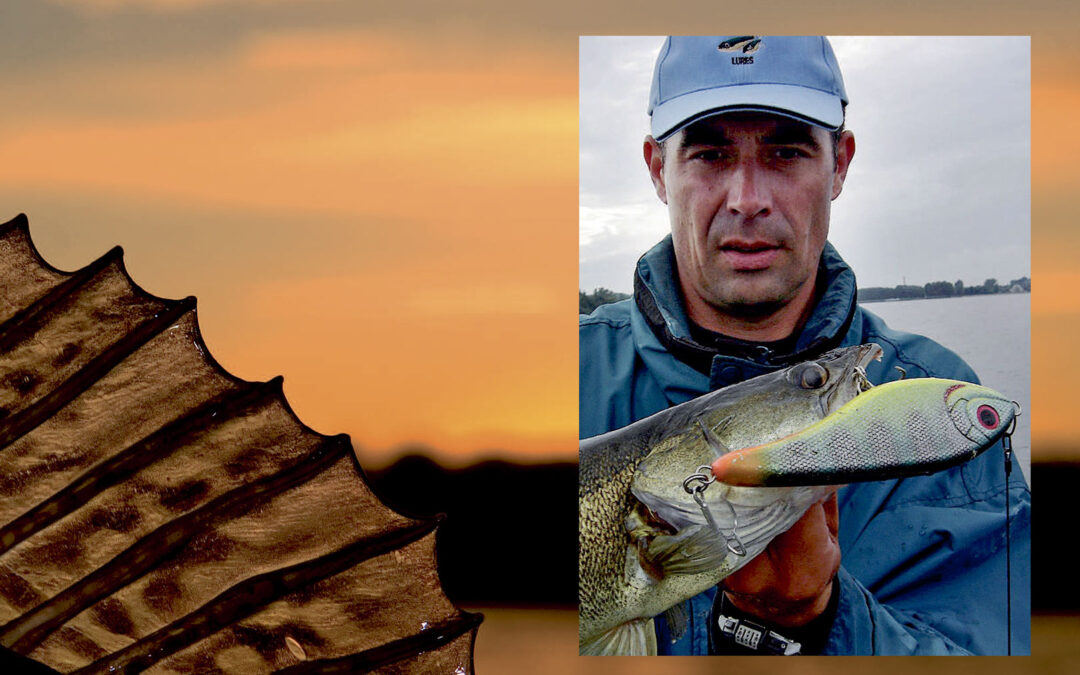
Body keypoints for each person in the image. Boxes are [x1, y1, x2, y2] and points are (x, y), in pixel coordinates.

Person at [579, 36, 1030, 655]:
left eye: (786, 153)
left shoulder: (929, 409)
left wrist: (816, 624)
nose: (747, 199)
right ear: (659, 169)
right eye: (710, 155)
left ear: (840, 164)